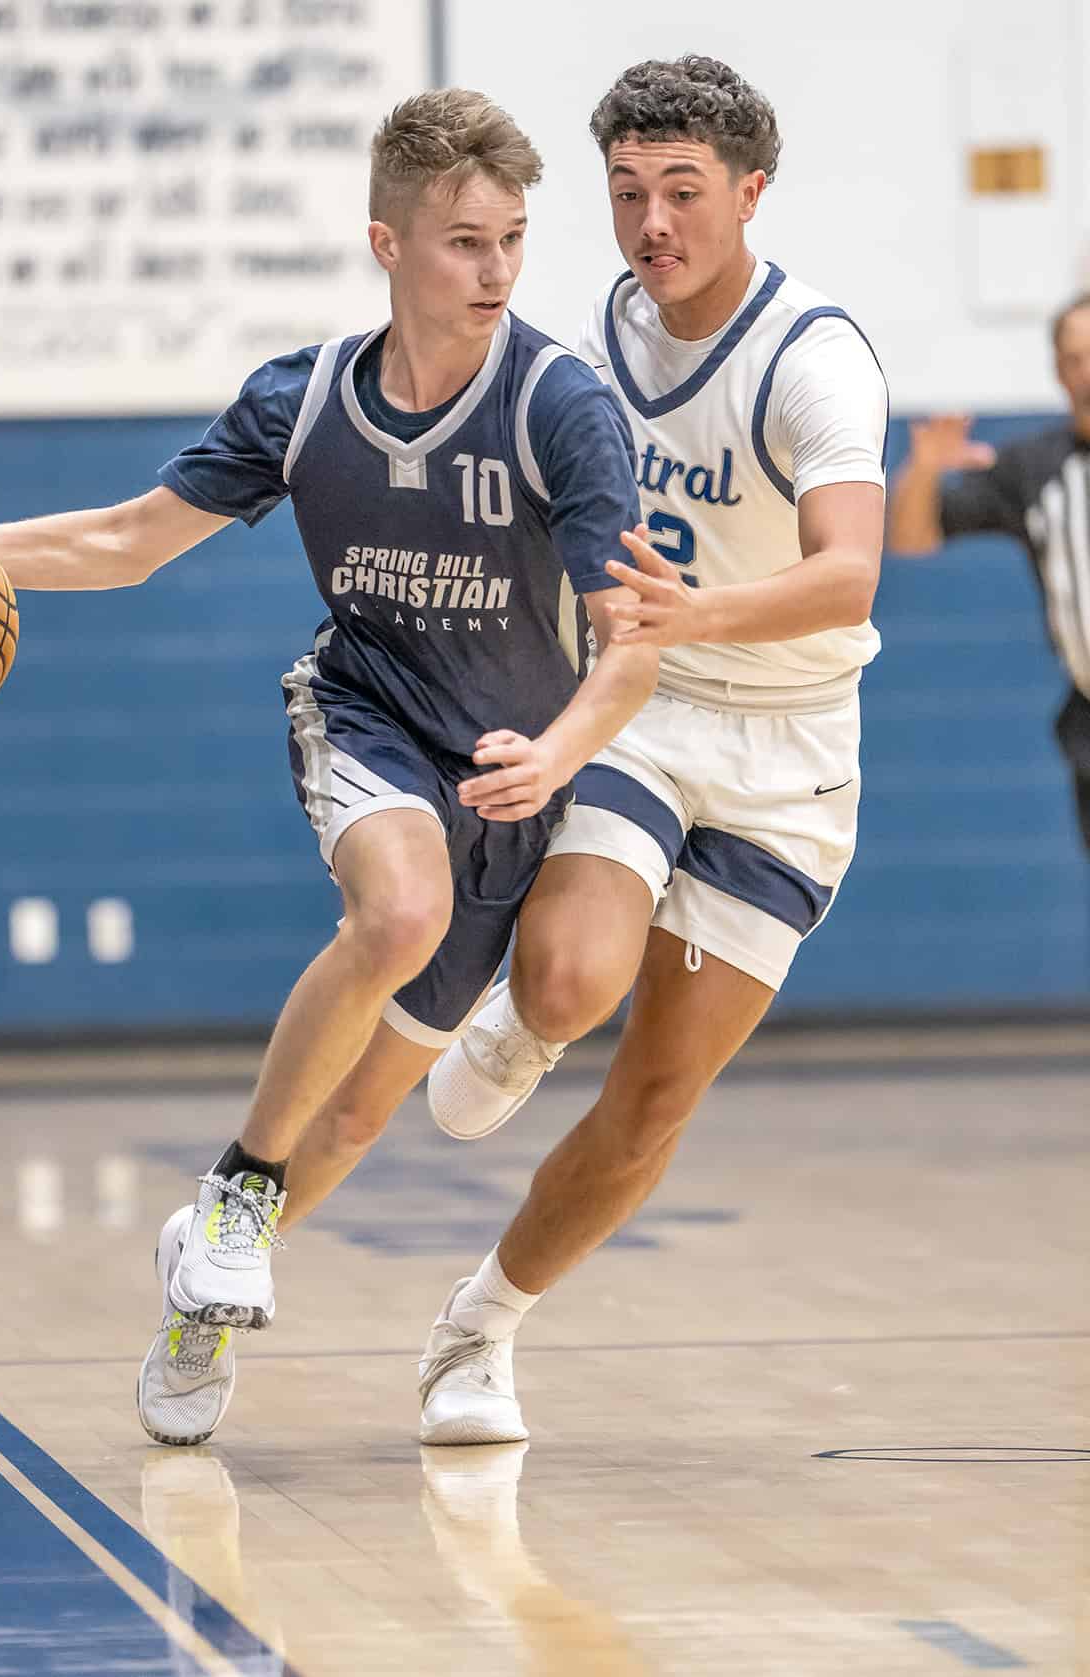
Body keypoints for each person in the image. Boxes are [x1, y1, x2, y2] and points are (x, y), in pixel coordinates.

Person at [0, 90, 663, 1445]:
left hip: (515, 766)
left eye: (508, 240)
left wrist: (558, 750)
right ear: (385, 243)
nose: (493, 270)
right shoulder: (305, 396)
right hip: (371, 711)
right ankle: (229, 1223)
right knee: (395, 909)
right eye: (460, 242)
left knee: (349, 1122)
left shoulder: (560, 408)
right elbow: (127, 537)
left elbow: (631, 641)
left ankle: (206, 1269)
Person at [403, 55, 889, 1444]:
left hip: (790, 739)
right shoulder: (580, 356)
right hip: (646, 697)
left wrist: (703, 608)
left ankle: (475, 1328)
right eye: (626, 193)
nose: (651, 221)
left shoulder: (812, 359)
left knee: (655, 1097)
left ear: (748, 191)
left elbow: (846, 572)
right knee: (564, 979)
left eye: (681, 191)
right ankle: (525, 1010)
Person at [886, 295, 1090, 852]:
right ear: (1057, 372)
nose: (1086, 371)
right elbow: (911, 537)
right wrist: (924, 468)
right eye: (1074, 358)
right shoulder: (1037, 468)